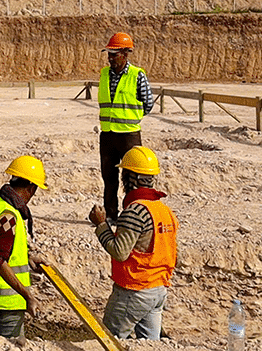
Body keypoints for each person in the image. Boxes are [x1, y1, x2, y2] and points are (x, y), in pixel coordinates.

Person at [88, 146, 178, 340]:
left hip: (135, 290)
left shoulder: (135, 211)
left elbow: (120, 252)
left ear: (129, 177)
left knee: (109, 340)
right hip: (158, 290)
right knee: (149, 344)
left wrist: (101, 225)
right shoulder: (163, 210)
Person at [0, 155, 48, 339]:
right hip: (6, 301)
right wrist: (27, 295)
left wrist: (28, 258)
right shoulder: (8, 215)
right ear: (31, 187)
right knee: (9, 344)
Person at [98, 32, 154, 222]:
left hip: (129, 135)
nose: (111, 58)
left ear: (126, 53)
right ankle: (111, 215)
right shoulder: (104, 74)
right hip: (107, 134)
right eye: (109, 54)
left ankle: (134, 217)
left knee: (134, 178)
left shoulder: (137, 75)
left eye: (114, 54)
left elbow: (148, 103)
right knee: (109, 178)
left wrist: (132, 117)